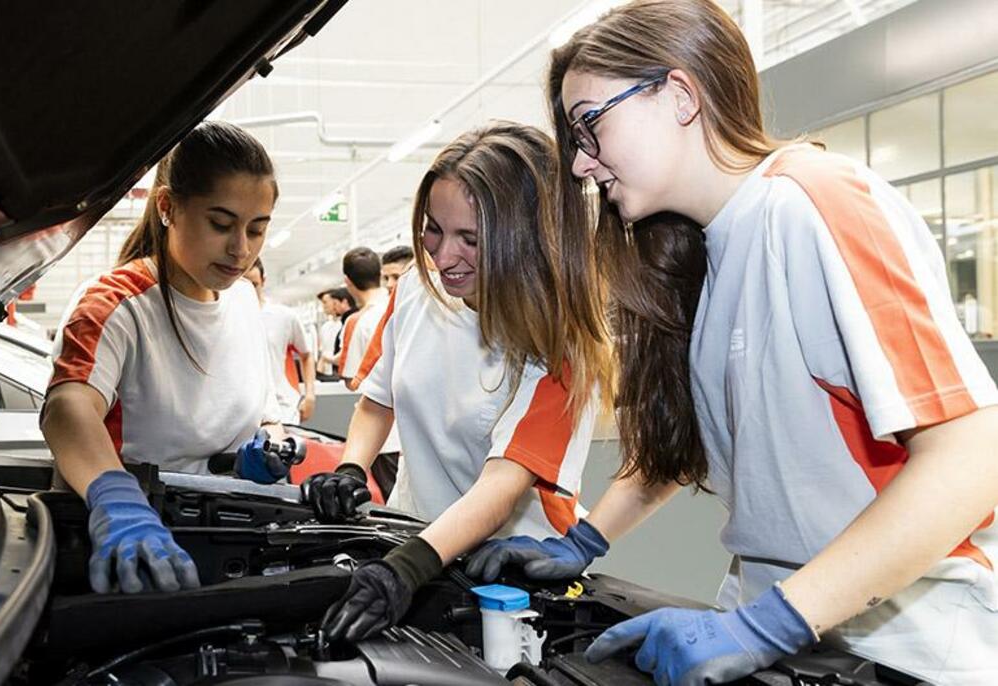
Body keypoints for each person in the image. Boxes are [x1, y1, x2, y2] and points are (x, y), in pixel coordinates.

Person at [473, 1, 998, 683]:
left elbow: (971, 454)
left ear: (681, 95)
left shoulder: (812, 202)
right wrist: (584, 540)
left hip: (908, 649)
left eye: (590, 126)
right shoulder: (707, 253)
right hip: (798, 633)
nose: (579, 165)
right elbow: (696, 444)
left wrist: (770, 622)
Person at [311, 121, 611, 642]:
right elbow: (378, 402)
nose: (442, 256)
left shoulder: (559, 341)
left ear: (526, 239)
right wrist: (353, 467)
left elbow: (503, 484)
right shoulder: (414, 294)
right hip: (413, 541)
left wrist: (408, 568)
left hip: (513, 577)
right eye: (433, 228)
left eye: (470, 239)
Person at [41, 121, 291, 596]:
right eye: (220, 224)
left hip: (230, 539)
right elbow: (67, 408)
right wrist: (115, 498)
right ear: (167, 208)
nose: (241, 249)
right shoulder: (115, 304)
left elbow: (266, 414)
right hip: (133, 546)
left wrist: (269, 448)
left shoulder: (241, 301)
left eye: (256, 229)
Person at [245, 258, 316, 424]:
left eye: (254, 285)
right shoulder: (227, 318)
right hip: (244, 411)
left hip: (283, 407)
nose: (248, 291)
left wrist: (310, 395)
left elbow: (306, 355)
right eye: (243, 285)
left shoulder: (284, 316)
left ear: (263, 281)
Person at [337, 247, 388, 387]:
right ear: (381, 274)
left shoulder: (356, 322)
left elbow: (352, 382)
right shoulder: (402, 306)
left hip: (377, 404)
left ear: (347, 281)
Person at [315, 288, 350, 377]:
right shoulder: (325, 327)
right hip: (326, 374)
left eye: (325, 302)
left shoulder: (346, 324)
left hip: (341, 373)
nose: (323, 306)